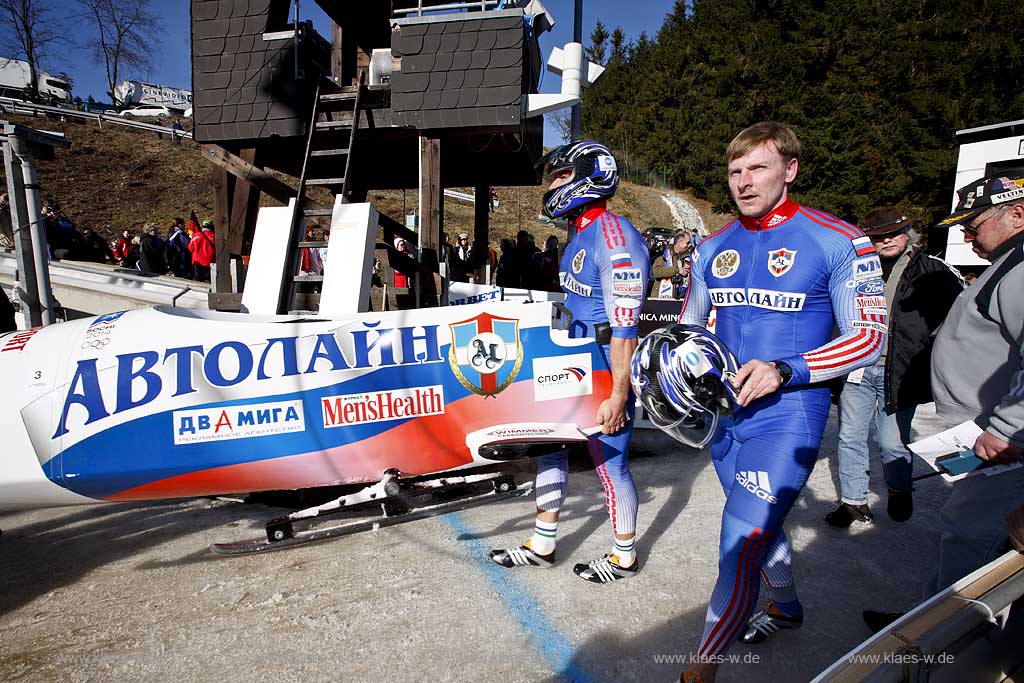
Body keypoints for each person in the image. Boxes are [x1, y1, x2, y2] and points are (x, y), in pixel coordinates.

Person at [677, 122, 886, 683]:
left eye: (758, 168)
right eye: (735, 171)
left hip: (789, 415)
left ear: (790, 169)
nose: (743, 182)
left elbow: (869, 336)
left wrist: (787, 370)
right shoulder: (712, 245)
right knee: (761, 530)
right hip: (724, 419)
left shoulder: (839, 240)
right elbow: (689, 329)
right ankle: (787, 607)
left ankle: (700, 668)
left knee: (738, 541)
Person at [863, 171, 1024, 632]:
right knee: (965, 536)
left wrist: (1007, 427)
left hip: (1003, 444)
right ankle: (929, 621)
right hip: (984, 434)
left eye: (973, 226)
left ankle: (939, 640)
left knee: (973, 538)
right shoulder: (1009, 261)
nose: (967, 237)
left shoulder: (1021, 266)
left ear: (1015, 214)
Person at [489, 140, 650, 583]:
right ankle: (543, 543)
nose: (553, 185)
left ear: (590, 176)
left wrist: (619, 394)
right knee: (549, 450)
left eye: (560, 175)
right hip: (571, 360)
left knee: (608, 462)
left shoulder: (616, 239)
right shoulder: (581, 233)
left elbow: (625, 328)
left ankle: (624, 555)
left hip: (603, 366)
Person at [827, 207, 963, 528]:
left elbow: (959, 321)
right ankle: (854, 502)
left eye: (893, 233)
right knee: (849, 437)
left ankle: (900, 487)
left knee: (890, 441)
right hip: (859, 367)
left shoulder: (932, 271)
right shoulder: (852, 270)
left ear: (907, 234)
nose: (886, 240)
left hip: (900, 371)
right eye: (878, 236)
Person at [651, 232, 693, 298]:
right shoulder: (663, 255)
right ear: (679, 243)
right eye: (687, 243)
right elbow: (657, 272)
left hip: (675, 296)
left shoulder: (684, 257)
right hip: (660, 296)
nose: (689, 245)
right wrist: (677, 270)